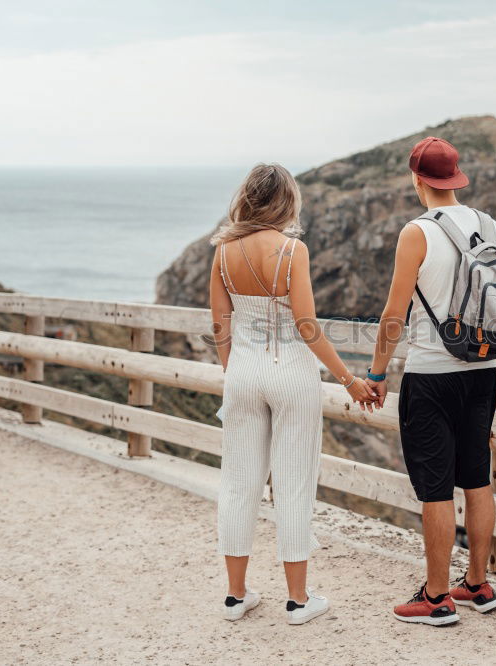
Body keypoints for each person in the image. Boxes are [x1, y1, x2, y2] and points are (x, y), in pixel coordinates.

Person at [209, 163, 378, 625]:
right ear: (287, 201)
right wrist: (349, 380)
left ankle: (235, 596)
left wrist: (235, 371)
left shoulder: (223, 252)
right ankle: (298, 601)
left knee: (239, 482)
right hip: (292, 377)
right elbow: (306, 326)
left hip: (243, 375)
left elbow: (220, 325)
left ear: (247, 198)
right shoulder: (292, 251)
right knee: (294, 482)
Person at [365, 137, 496, 626]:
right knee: (477, 478)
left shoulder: (417, 232)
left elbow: (392, 315)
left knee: (435, 490)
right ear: (456, 175)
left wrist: (378, 372)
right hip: (485, 371)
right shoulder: (489, 225)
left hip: (432, 375)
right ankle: (478, 583)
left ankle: (436, 597)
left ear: (416, 179)